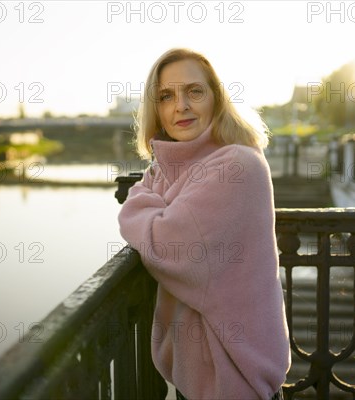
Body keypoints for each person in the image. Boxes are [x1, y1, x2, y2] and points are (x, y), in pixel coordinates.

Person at [118, 48, 290, 399]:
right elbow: (146, 199)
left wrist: (143, 203)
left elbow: (164, 242)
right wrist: (149, 197)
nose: (180, 105)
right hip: (200, 380)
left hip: (233, 380)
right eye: (166, 96)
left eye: (194, 91)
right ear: (157, 110)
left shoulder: (236, 165)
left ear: (216, 98)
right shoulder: (176, 169)